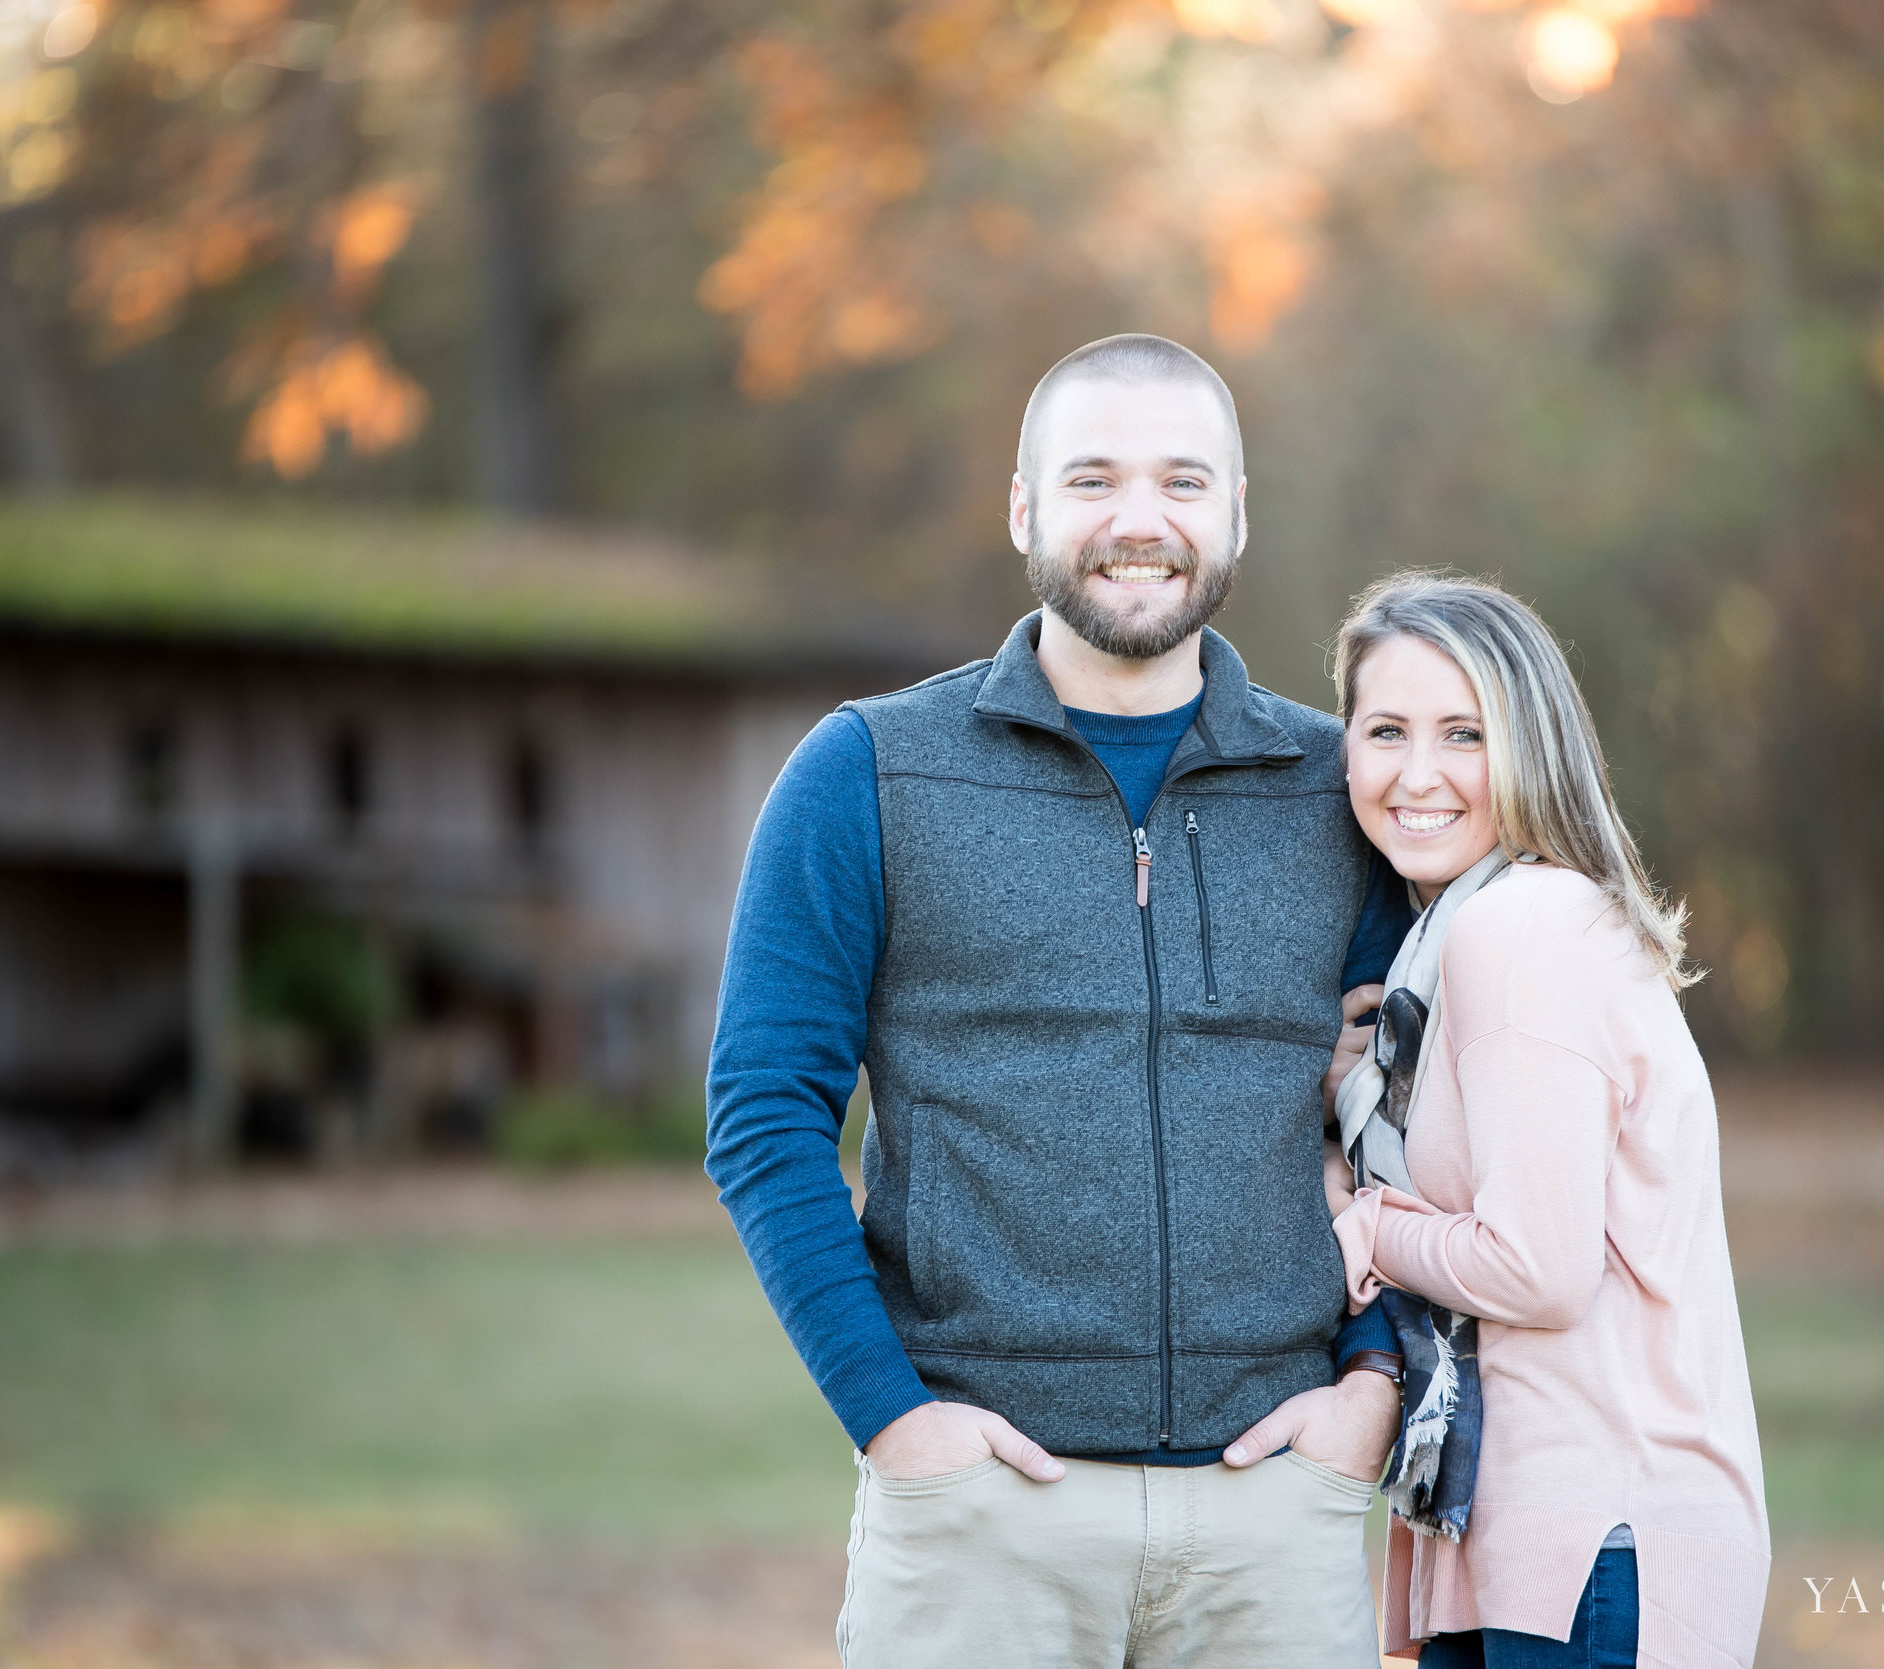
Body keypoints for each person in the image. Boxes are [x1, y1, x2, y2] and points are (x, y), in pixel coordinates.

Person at [705, 334, 1411, 1668]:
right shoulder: (867, 771)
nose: (1139, 522)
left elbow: (1417, 1117)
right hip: (982, 1523)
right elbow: (761, 1113)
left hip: (1275, 1516)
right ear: (1024, 509)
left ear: (1237, 512)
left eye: (1182, 483)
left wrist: (1372, 1382)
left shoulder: (1343, 791)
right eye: (1092, 480)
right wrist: (893, 1421)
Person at [1320, 573, 1770, 1669]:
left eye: (1463, 734)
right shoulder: (1457, 942)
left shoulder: (1519, 926)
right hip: (1518, 1530)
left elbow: (1538, 1267)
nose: (1416, 774)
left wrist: (1373, 1229)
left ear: (1532, 746)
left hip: (1599, 1537)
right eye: (1384, 730)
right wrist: (1344, 1097)